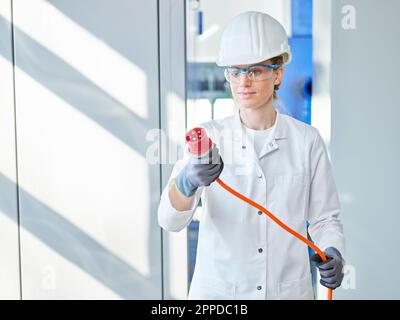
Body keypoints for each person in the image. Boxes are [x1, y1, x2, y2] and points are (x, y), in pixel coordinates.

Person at [158, 11, 345, 300]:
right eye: (235, 71)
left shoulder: (307, 140)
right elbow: (170, 221)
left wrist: (333, 250)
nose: (243, 81)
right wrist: (187, 181)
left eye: (255, 71)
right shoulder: (207, 138)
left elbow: (325, 219)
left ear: (278, 73)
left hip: (287, 293)